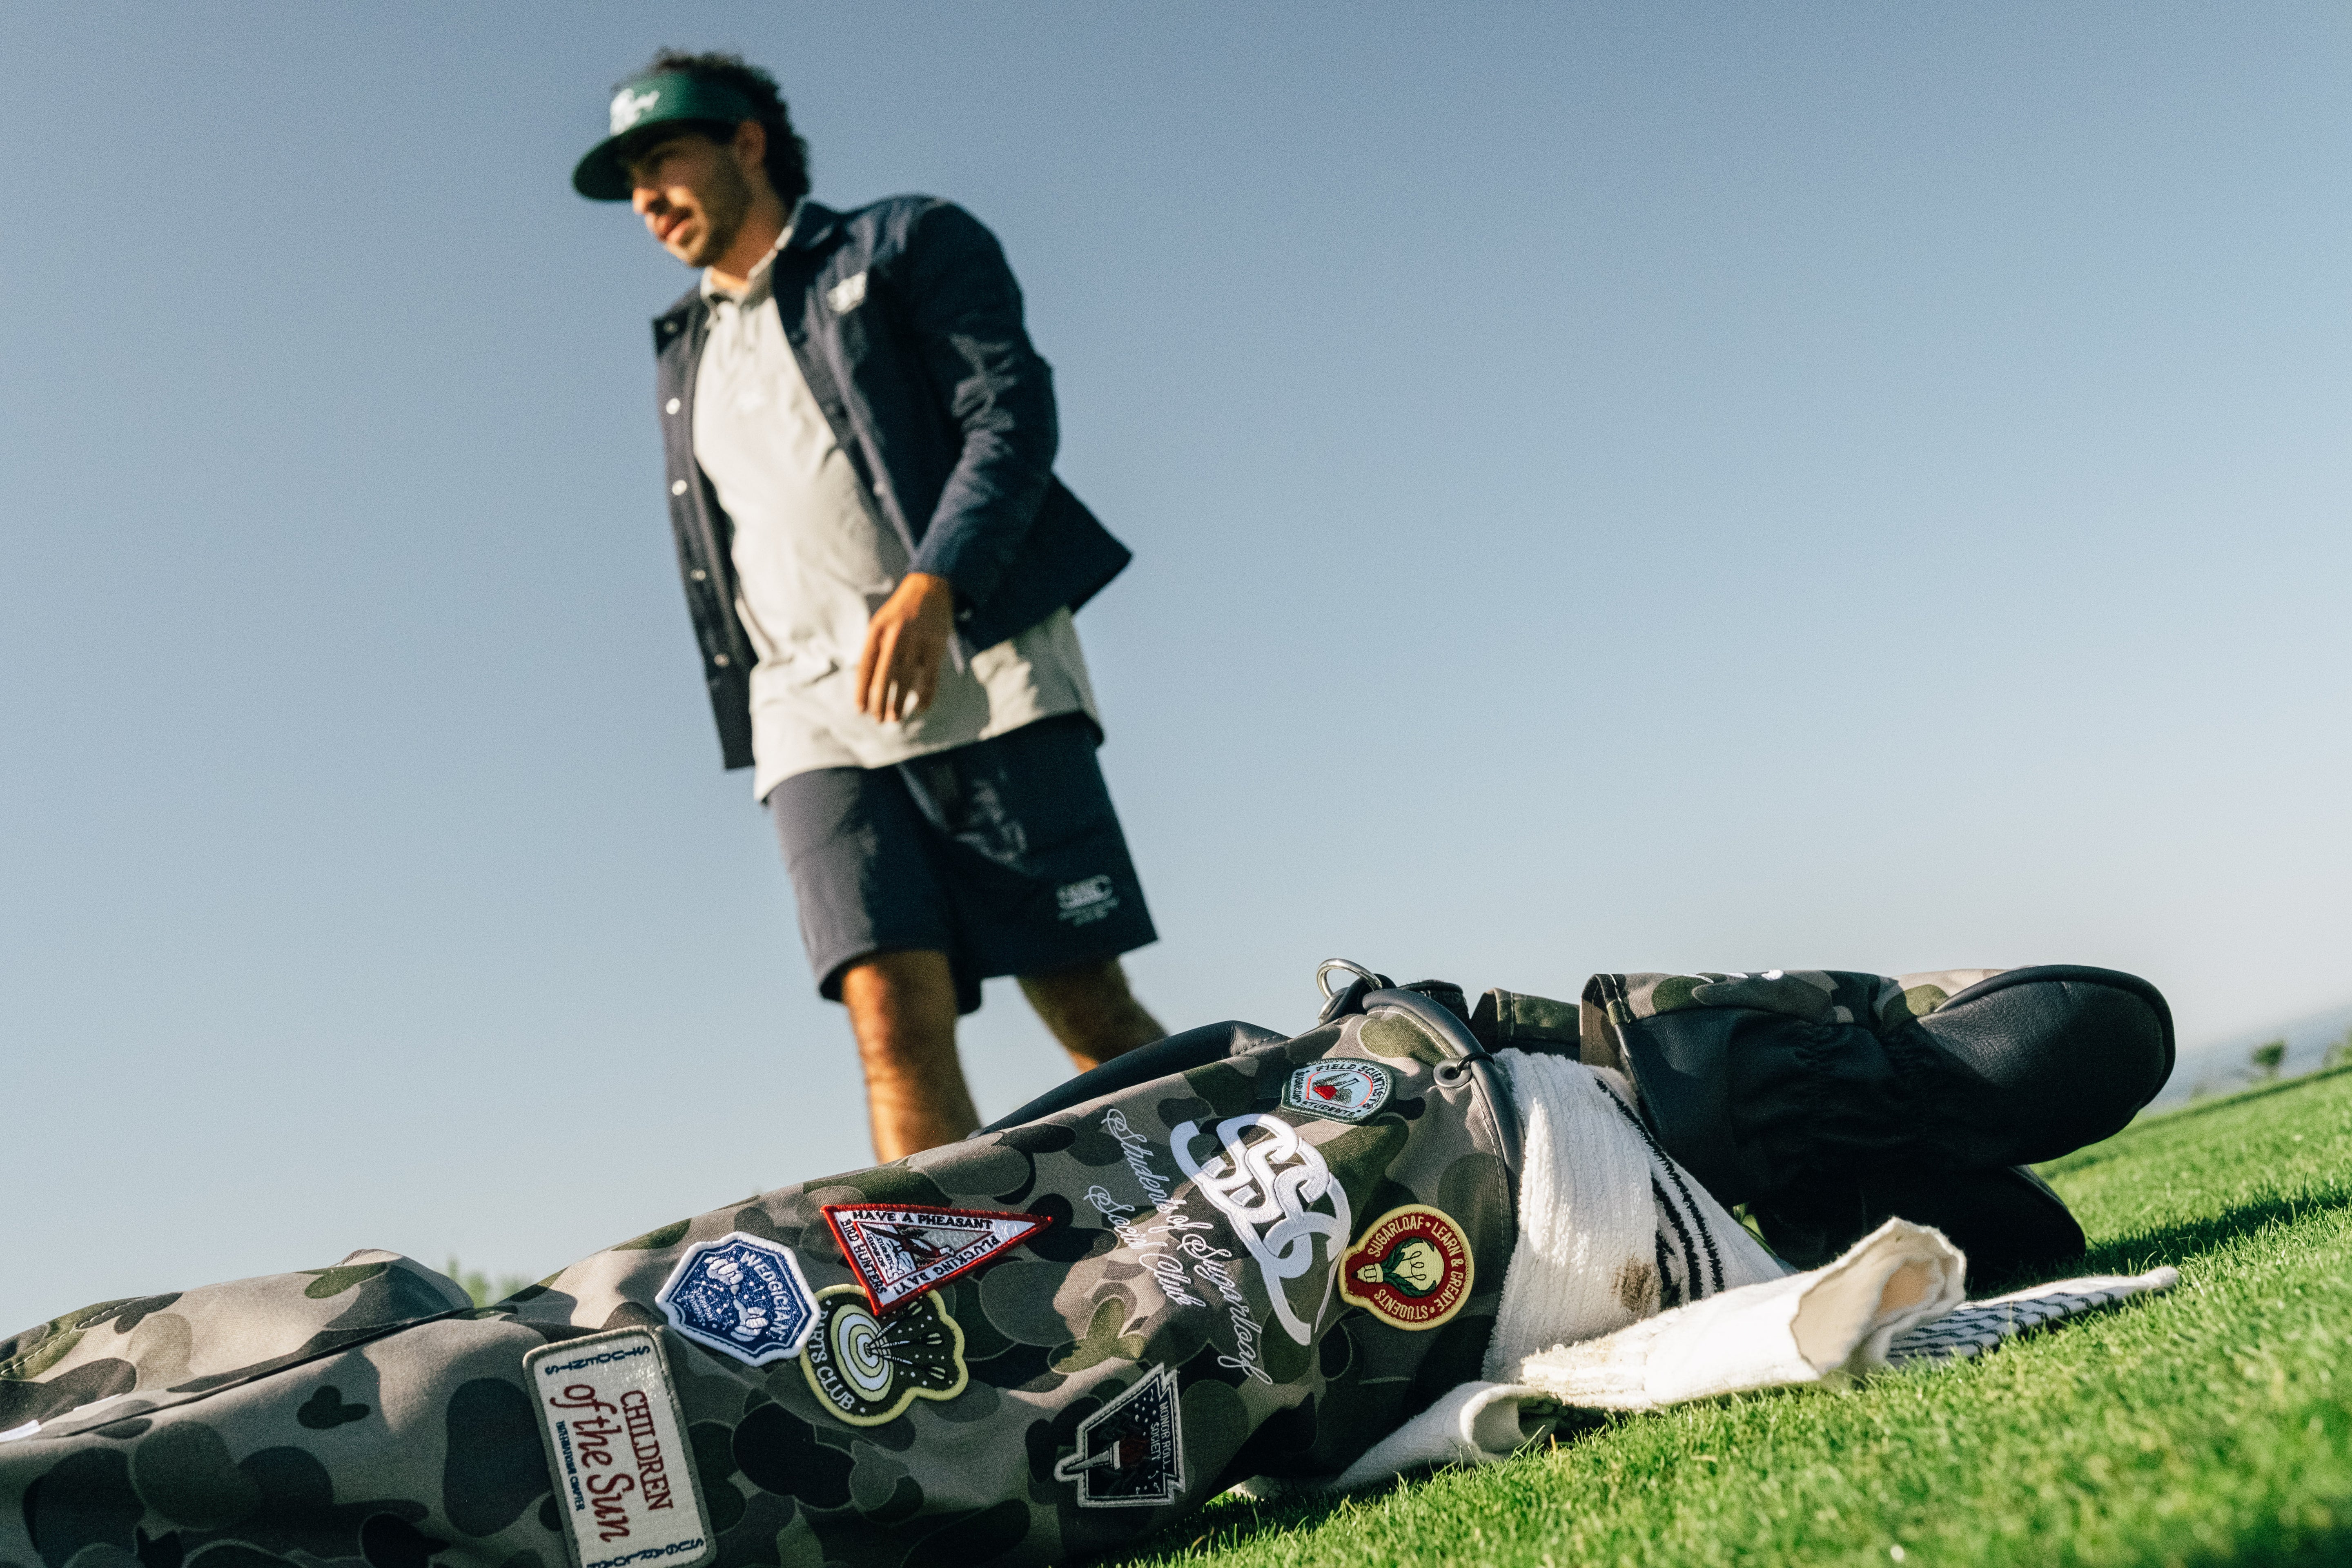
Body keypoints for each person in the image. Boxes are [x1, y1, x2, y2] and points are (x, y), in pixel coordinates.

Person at [572, 51, 1164, 1158]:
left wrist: (939, 582)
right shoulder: (683, 351)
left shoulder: (906, 243)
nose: (646, 198)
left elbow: (1012, 417)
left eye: (663, 160)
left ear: (747, 142)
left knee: (1090, 1016)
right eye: (630, 182)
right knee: (891, 1028)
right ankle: (967, 1308)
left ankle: (1286, 1217)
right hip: (808, 713)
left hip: (978, 669)